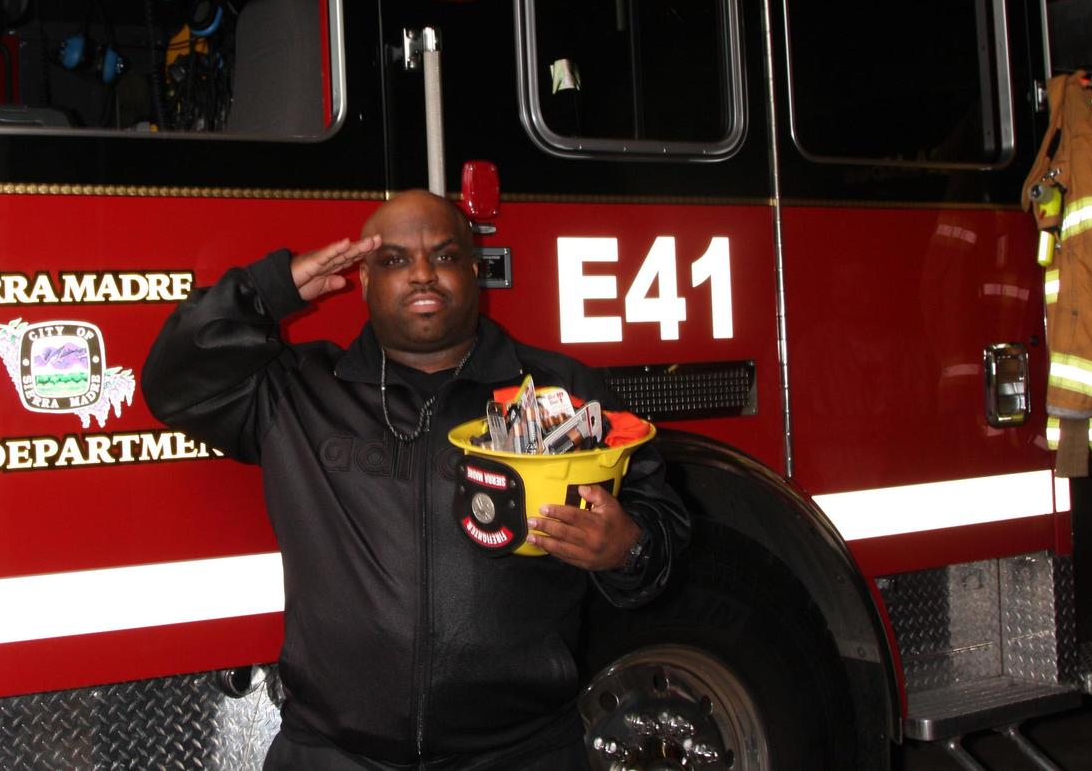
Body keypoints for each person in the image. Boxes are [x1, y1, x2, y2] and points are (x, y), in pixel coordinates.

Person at [142, 190, 688, 770]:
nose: (423, 274)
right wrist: (271, 290)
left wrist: (628, 549)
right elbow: (172, 382)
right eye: (396, 260)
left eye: (445, 256)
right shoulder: (298, 391)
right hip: (332, 755)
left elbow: (663, 539)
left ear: (475, 271)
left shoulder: (561, 394)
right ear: (365, 280)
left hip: (521, 754)